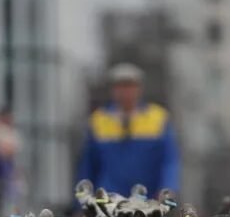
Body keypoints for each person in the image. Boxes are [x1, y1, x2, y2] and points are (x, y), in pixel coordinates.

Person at [77, 63, 180, 198]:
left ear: (139, 89)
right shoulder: (98, 121)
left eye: (130, 86)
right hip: (109, 198)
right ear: (113, 90)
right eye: (120, 87)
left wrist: (168, 188)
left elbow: (169, 160)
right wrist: (82, 202)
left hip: (147, 198)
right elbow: (88, 166)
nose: (125, 92)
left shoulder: (158, 118)